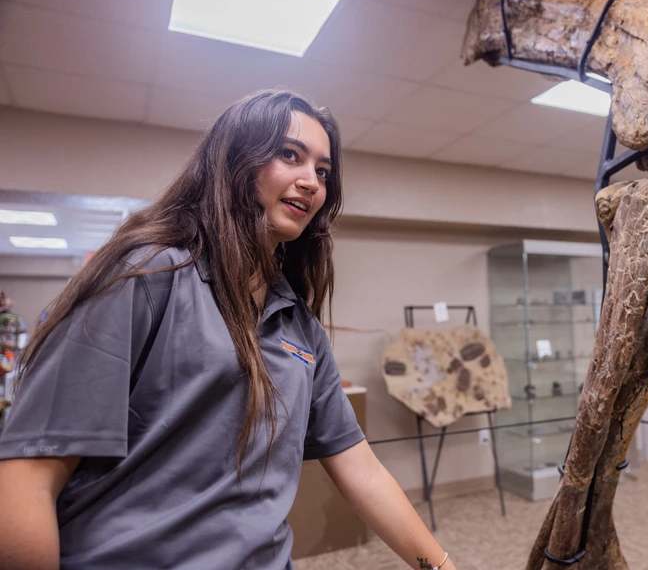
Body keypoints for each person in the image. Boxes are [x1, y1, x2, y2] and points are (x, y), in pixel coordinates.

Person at [0, 90, 457, 570]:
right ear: (236, 162)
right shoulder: (145, 277)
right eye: (289, 155)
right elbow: (28, 475)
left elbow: (362, 472)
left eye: (322, 171)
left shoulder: (298, 326)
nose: (311, 182)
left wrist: (443, 567)